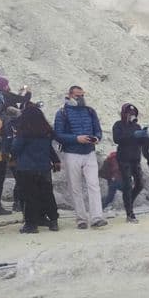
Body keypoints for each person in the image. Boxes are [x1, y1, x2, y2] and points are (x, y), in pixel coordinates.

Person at [53, 85, 106, 229]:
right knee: (75, 187)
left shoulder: (90, 111)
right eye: (77, 96)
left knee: (94, 185)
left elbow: (98, 130)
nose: (81, 98)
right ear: (69, 95)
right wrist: (77, 138)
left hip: (89, 152)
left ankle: (97, 217)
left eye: (82, 95)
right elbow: (58, 135)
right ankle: (81, 218)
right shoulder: (62, 113)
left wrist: (96, 138)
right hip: (72, 153)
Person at [11, 104, 60, 233]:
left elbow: (15, 149)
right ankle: (53, 221)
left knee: (29, 196)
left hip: (26, 168)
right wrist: (55, 160)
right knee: (47, 194)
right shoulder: (46, 132)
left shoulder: (24, 132)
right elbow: (49, 149)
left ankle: (31, 225)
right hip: (43, 167)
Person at [112, 103, 148, 223]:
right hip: (124, 158)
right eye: (129, 113)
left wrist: (145, 136)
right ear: (124, 114)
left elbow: (141, 143)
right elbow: (117, 139)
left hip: (135, 158)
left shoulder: (137, 126)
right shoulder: (118, 125)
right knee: (127, 185)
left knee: (140, 184)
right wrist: (132, 135)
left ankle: (129, 202)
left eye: (133, 114)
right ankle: (129, 213)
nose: (131, 115)